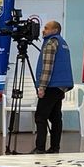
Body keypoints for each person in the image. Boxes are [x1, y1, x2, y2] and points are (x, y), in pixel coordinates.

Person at [33, 20, 73, 154]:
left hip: (51, 85)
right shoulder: (63, 43)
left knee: (40, 117)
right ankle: (55, 147)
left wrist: (42, 87)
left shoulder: (51, 42)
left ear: (55, 30)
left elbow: (47, 67)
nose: (43, 30)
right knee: (55, 118)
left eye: (46, 28)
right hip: (60, 86)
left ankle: (40, 148)